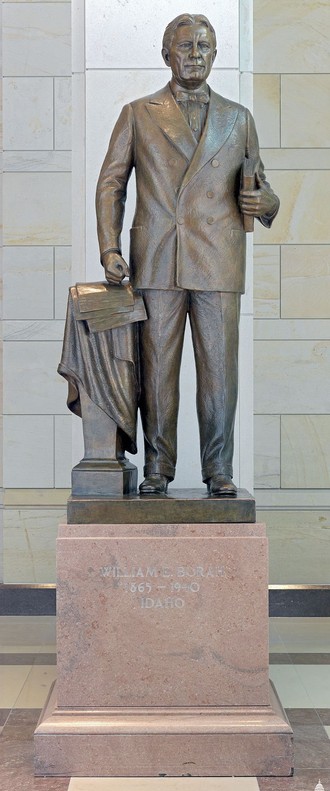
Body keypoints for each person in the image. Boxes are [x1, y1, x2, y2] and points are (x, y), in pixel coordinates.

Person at [96, 13, 279, 496]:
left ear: (216, 55)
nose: (194, 54)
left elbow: (261, 187)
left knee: (220, 373)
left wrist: (268, 204)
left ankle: (219, 470)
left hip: (219, 258)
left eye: (203, 46)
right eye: (185, 46)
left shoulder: (238, 118)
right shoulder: (139, 113)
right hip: (158, 257)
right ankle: (159, 468)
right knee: (157, 371)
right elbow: (112, 183)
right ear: (166, 55)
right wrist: (109, 246)